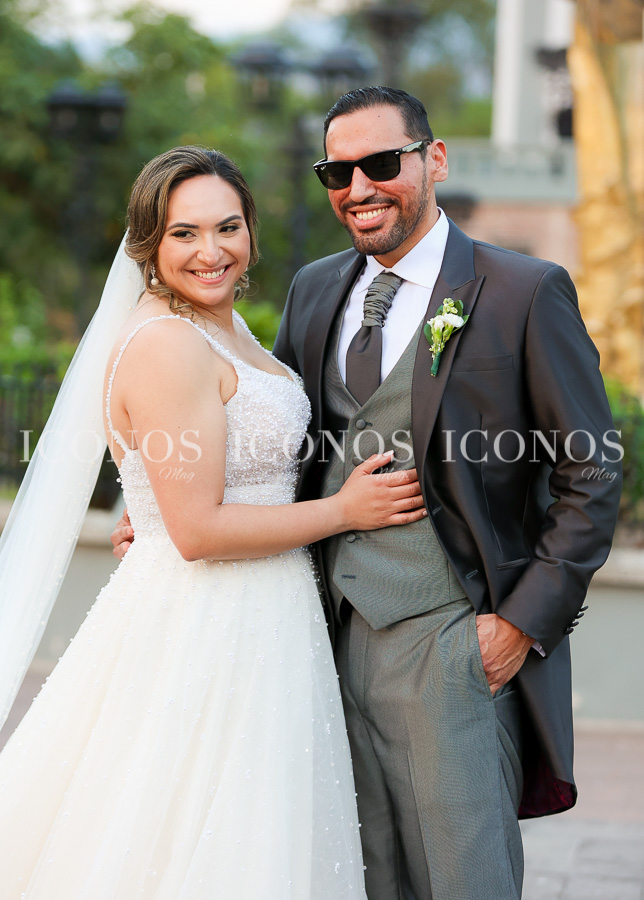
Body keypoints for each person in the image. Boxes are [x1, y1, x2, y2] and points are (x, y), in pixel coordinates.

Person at [112, 91, 622, 898]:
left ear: (434, 160)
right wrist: (157, 510)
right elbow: (273, 434)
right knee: (356, 874)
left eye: (382, 164)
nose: (359, 187)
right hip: (312, 643)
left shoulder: (524, 291)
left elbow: (592, 471)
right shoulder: (316, 290)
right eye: (337, 171)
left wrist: (521, 624)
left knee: (465, 880)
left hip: (450, 642)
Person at [0, 146, 429, 898]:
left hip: (264, 618)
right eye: (183, 234)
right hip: (204, 626)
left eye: (227, 228)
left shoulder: (224, 329)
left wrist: (152, 511)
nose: (211, 251)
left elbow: (202, 482)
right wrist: (342, 511)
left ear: (251, 232)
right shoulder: (168, 342)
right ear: (148, 246)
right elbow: (195, 531)